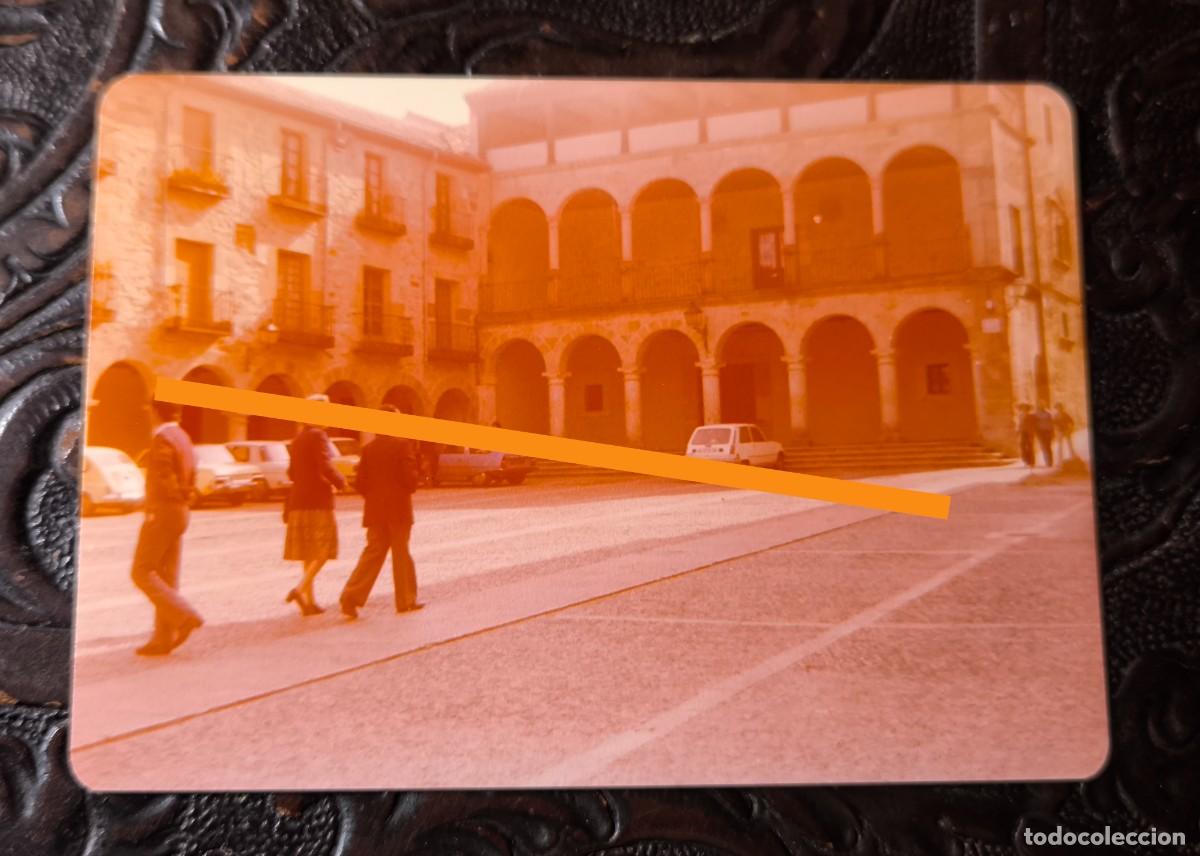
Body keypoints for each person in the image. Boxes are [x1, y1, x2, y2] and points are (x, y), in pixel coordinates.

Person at [130, 400, 204, 656]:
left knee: (142, 571)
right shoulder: (184, 437)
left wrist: (158, 505)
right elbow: (192, 476)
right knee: (167, 576)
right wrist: (185, 498)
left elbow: (164, 480)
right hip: (181, 512)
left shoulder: (162, 439)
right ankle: (163, 638)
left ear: (154, 412)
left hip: (162, 512)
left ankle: (184, 616)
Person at [339, 404, 423, 618]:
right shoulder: (402, 445)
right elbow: (409, 479)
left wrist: (374, 498)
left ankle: (350, 596)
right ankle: (405, 600)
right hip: (398, 508)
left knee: (373, 552)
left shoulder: (369, 449)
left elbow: (360, 482)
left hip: (375, 510)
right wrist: (414, 480)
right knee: (401, 553)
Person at [283, 394, 346, 615]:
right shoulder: (319, 436)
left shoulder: (297, 439)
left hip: (298, 501)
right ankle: (301, 590)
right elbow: (325, 466)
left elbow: (291, 472)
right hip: (318, 501)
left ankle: (310, 603)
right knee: (323, 549)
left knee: (308, 551)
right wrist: (341, 482)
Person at [1033, 402, 1056, 468]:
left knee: (1048, 446)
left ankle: (1050, 462)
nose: (1041, 407)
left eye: (1042, 405)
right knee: (1043, 446)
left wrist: (1052, 431)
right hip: (1040, 432)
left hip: (1047, 431)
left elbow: (1052, 423)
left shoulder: (1048, 413)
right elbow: (1033, 423)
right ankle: (1047, 461)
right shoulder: (1035, 414)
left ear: (1044, 406)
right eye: (1040, 406)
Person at [1017, 404, 1036, 470]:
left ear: (1028, 409)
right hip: (1022, 432)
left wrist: (1032, 432)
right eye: (1022, 408)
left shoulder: (1031, 416)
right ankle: (1026, 460)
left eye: (1025, 408)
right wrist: (1018, 431)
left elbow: (1033, 425)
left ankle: (1032, 462)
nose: (1023, 410)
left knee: (1030, 446)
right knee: (1022, 446)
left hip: (1029, 433)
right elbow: (1019, 424)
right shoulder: (1020, 416)